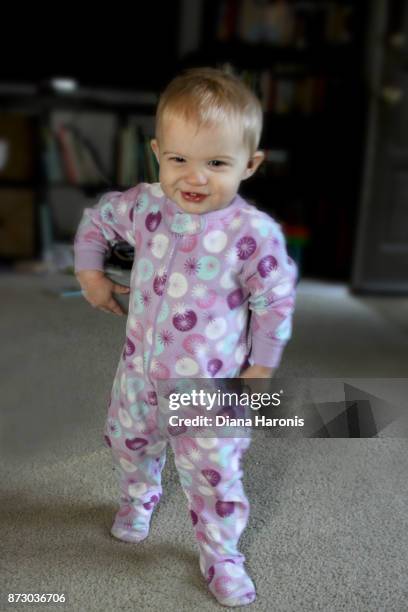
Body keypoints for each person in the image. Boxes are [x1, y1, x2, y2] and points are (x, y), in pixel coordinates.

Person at [74, 66, 298, 607]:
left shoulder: (252, 235)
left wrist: (260, 371)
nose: (193, 178)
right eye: (179, 159)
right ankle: (138, 496)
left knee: (213, 475)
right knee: (128, 444)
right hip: (137, 375)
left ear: (250, 164)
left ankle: (221, 555)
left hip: (207, 387)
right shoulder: (146, 206)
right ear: (157, 152)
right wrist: (91, 274)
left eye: (216, 163)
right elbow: (97, 220)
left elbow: (275, 303)